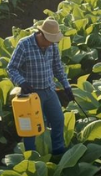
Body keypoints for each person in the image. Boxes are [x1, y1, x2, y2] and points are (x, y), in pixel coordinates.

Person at [6, 18, 73, 155]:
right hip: (31, 95)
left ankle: (58, 151)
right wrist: (22, 82)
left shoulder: (52, 46)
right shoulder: (24, 45)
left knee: (58, 120)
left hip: (49, 90)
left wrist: (67, 87)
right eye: (49, 40)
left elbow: (57, 68)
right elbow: (11, 68)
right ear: (41, 34)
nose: (50, 44)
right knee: (30, 127)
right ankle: (32, 156)